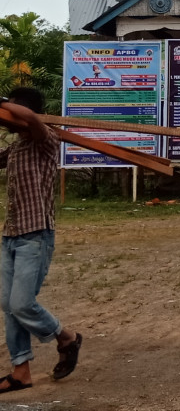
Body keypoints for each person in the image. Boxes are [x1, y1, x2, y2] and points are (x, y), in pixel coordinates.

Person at [0, 88, 81, 393]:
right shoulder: (16, 148)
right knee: (9, 306)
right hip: (11, 234)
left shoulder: (44, 139)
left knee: (22, 304)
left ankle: (67, 337)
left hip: (36, 234)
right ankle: (21, 371)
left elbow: (31, 118)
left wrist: (2, 104)